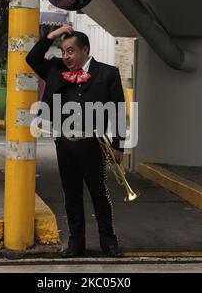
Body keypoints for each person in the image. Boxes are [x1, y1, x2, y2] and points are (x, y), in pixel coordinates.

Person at [26, 25, 126, 258]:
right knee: (71, 195)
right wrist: (53, 35)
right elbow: (32, 58)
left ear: (85, 50)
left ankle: (108, 241)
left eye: (70, 51)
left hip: (93, 144)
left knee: (99, 194)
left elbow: (118, 111)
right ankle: (76, 242)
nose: (66, 57)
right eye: (63, 52)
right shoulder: (56, 70)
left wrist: (118, 144)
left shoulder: (108, 73)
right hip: (65, 143)